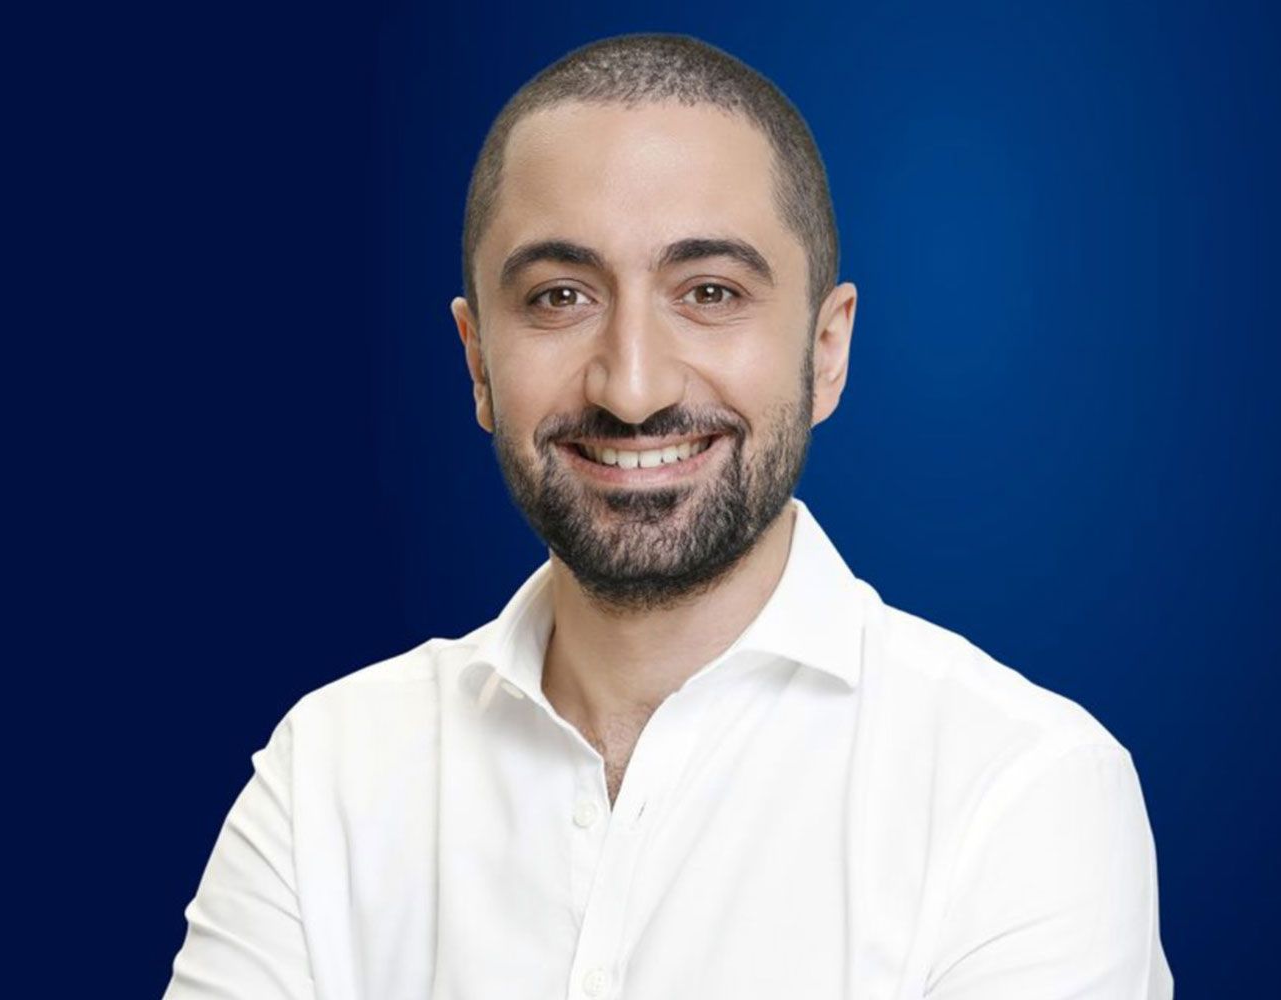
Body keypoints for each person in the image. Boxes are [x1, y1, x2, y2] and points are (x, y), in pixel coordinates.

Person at [164, 32, 1172, 1000]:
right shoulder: (326, 774)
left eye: (709, 291)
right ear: (476, 361)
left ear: (826, 349)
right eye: (560, 296)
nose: (633, 386)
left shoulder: (1020, 792)